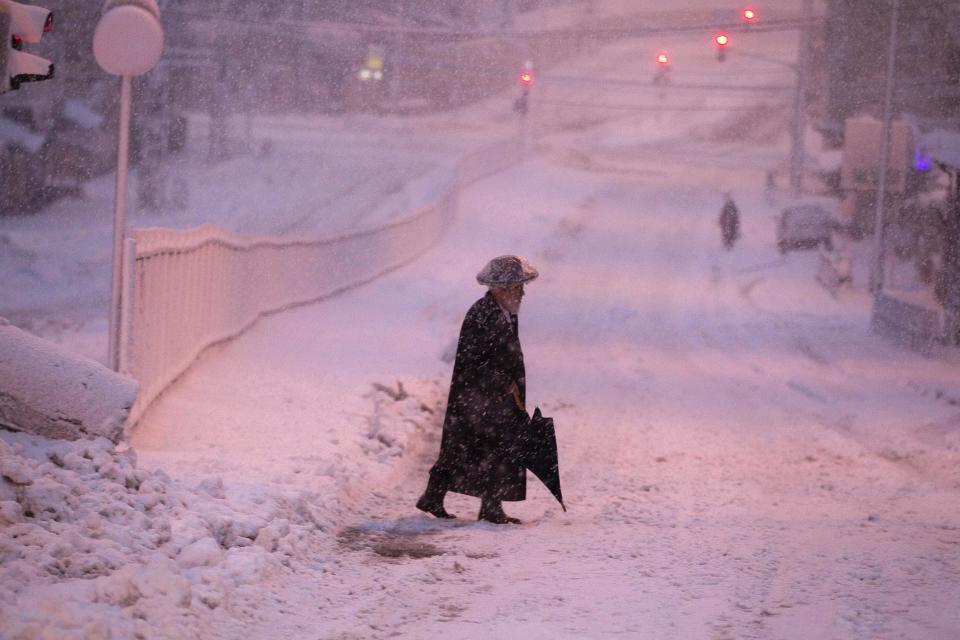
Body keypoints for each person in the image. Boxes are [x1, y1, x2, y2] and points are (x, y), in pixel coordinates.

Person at [416, 255, 538, 525]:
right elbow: (476, 357)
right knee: (484, 448)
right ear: (501, 288)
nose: (522, 292)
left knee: (476, 448)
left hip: (488, 395)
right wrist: (499, 382)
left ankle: (442, 498)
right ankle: (487, 507)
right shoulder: (484, 313)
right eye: (517, 286)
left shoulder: (502, 311)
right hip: (480, 395)